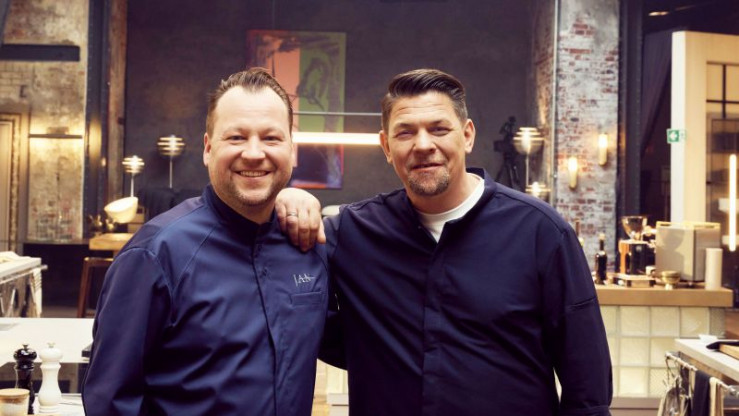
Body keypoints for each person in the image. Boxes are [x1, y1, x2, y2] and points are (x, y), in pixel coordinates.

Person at [280, 68, 612, 415]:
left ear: (467, 136)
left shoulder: (541, 233)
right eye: (405, 132)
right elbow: (298, 310)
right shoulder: (351, 233)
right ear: (387, 146)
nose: (424, 145)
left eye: (439, 129)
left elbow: (587, 385)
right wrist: (285, 200)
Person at [82, 68, 329, 416]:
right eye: (236, 137)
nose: (254, 153)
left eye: (271, 138)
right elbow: (110, 402)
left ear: (292, 149)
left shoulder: (309, 244)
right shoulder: (155, 255)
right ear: (208, 149)